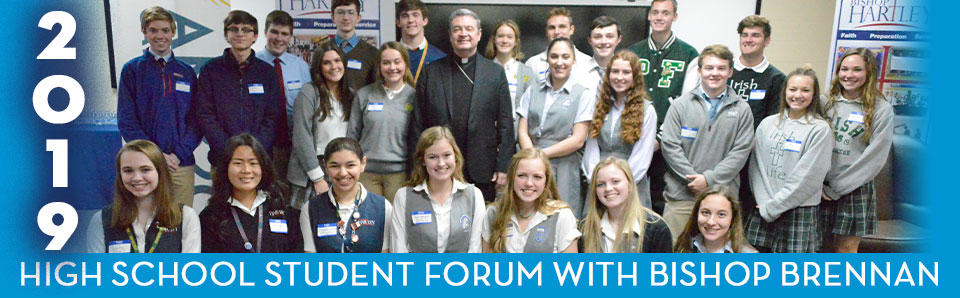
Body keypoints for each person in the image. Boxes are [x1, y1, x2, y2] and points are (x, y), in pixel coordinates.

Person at [411, 9, 515, 202]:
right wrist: (419, 166)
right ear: (450, 36)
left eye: (469, 28)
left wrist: (504, 167)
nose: (463, 34)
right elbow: (418, 123)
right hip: (439, 167)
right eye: (457, 29)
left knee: (481, 227)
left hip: (483, 169)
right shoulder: (430, 72)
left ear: (479, 34)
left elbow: (506, 123)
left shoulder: (495, 73)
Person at [660, 45, 754, 241]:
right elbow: (670, 147)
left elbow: (740, 152)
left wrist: (708, 180)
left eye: (721, 68)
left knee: (718, 260)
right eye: (709, 68)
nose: (715, 73)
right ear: (700, 71)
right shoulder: (680, 105)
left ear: (730, 72)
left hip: (723, 201)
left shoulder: (742, 109)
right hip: (681, 197)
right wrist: (694, 181)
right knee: (674, 256)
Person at [117, 6, 201, 207]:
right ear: (144, 32)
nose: (159, 36)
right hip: (145, 166)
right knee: (146, 219)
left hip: (180, 164)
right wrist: (155, 155)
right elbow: (127, 121)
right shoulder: (132, 70)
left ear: (173, 33)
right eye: (153, 30)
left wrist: (177, 155)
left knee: (181, 222)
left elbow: (196, 121)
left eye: (165, 30)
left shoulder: (187, 72)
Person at [744, 65, 832, 253]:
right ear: (785, 91)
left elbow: (808, 178)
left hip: (798, 211)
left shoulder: (819, 129)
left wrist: (776, 206)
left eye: (805, 90)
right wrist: (765, 202)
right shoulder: (768, 123)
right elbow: (755, 167)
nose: (797, 95)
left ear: (814, 94)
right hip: (763, 207)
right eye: (793, 89)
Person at [626, 0, 699, 214]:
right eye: (655, 12)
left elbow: (686, 103)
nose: (659, 17)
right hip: (632, 138)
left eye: (665, 13)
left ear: (674, 17)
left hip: (666, 143)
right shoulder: (633, 52)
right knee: (630, 195)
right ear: (648, 15)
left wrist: (659, 137)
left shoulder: (688, 54)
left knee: (659, 200)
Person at [820, 48, 894, 253]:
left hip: (854, 189)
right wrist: (818, 184)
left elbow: (875, 158)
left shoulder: (881, 109)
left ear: (868, 73)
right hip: (819, 189)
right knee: (819, 246)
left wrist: (836, 188)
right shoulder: (824, 103)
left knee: (846, 248)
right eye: (844, 69)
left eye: (857, 69)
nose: (849, 75)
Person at [195, 10, 284, 169]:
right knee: (223, 195)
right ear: (226, 35)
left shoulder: (267, 73)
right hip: (222, 158)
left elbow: (273, 116)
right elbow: (205, 114)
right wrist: (228, 148)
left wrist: (255, 149)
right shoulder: (210, 70)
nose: (240, 34)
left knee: (260, 195)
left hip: (259, 159)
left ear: (255, 36)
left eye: (246, 29)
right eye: (234, 29)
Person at [516, 37, 594, 217]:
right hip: (530, 164)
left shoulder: (582, 94)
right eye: (554, 56)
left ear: (573, 60)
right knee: (528, 213)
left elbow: (578, 140)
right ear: (547, 59)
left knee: (562, 216)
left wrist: (540, 156)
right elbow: (522, 130)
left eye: (565, 57)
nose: (560, 62)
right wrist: (531, 158)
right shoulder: (532, 90)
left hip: (565, 165)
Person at [85, 140, 201, 253]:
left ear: (160, 172)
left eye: (145, 170)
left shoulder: (186, 217)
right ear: (120, 175)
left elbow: (190, 270)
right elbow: (98, 271)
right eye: (128, 171)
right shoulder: (100, 220)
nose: (137, 178)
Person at [199, 134, 302, 253]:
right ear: (226, 168)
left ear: (263, 168)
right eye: (238, 163)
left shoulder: (286, 213)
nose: (246, 170)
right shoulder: (210, 217)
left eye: (253, 163)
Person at [390, 126, 486, 253]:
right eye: (433, 157)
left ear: (455, 157)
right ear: (422, 160)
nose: (441, 163)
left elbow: (475, 250)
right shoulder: (404, 196)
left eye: (447, 155)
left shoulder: (474, 195)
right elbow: (398, 249)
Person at [583, 50, 657, 209]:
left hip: (631, 184)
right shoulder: (600, 106)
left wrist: (620, 185)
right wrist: (598, 182)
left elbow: (642, 156)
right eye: (615, 71)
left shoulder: (647, 110)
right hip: (599, 185)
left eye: (626, 72)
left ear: (635, 76)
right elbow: (591, 148)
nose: (619, 77)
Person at [729, 15, 787, 217]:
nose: (748, 39)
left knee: (741, 212)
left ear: (767, 40)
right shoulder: (725, 71)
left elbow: (773, 122)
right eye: (744, 35)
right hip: (720, 152)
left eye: (755, 35)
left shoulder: (776, 78)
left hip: (752, 157)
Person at [288, 41, 354, 209]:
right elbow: (301, 136)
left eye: (337, 61)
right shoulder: (309, 92)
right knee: (304, 226)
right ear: (319, 67)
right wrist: (317, 178)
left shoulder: (351, 95)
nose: (334, 66)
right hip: (311, 170)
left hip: (341, 169)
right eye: (327, 62)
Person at [348, 42, 416, 202]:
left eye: (397, 61)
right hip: (366, 174)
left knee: (398, 223)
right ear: (379, 66)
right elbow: (352, 135)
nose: (392, 67)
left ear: (405, 64)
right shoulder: (364, 94)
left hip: (400, 175)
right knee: (368, 223)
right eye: (386, 63)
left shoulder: (415, 96)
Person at [299, 137, 392, 253]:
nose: (343, 173)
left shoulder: (383, 207)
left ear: (362, 164)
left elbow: (387, 259)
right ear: (325, 167)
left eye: (350, 165)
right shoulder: (310, 208)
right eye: (335, 166)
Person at [483, 148, 580, 253]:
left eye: (537, 177)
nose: (529, 183)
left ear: (546, 181)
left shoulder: (561, 215)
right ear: (511, 178)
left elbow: (570, 268)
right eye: (522, 176)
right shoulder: (493, 213)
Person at [256, 10, 312, 184]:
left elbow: (309, 106)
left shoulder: (301, 66)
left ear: (290, 37)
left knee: (289, 197)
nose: (279, 38)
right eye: (274, 32)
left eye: (285, 34)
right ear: (265, 32)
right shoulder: (253, 64)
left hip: (293, 146)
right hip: (261, 146)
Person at [580, 157, 671, 253]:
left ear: (630, 185)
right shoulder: (585, 227)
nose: (608, 188)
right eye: (600, 184)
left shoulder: (657, 228)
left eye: (615, 181)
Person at [674, 185, 757, 253]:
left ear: (732, 218)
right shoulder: (684, 248)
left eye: (721, 214)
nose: (711, 222)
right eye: (705, 213)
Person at [484, 19, 537, 125]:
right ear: (494, 39)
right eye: (500, 36)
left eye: (509, 37)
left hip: (516, 135)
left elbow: (532, 107)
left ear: (516, 42)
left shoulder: (526, 73)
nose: (504, 40)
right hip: (487, 133)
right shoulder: (483, 69)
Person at [524, 7, 591, 82]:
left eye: (562, 27)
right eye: (552, 28)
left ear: (571, 30)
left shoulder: (587, 62)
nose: (556, 32)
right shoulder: (532, 64)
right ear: (546, 31)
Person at [396, 0, 446, 85]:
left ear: (425, 21)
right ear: (398, 22)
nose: (411, 20)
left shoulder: (440, 58)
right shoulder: (387, 57)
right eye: (405, 16)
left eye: (415, 15)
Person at [331, 0, 377, 91]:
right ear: (333, 17)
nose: (346, 18)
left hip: (361, 105)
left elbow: (376, 91)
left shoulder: (372, 53)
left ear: (358, 18)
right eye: (340, 12)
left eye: (351, 13)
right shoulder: (322, 51)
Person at [583, 16, 623, 93]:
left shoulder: (627, 73)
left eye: (610, 36)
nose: (603, 42)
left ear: (618, 39)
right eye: (597, 37)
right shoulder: (578, 72)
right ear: (590, 40)